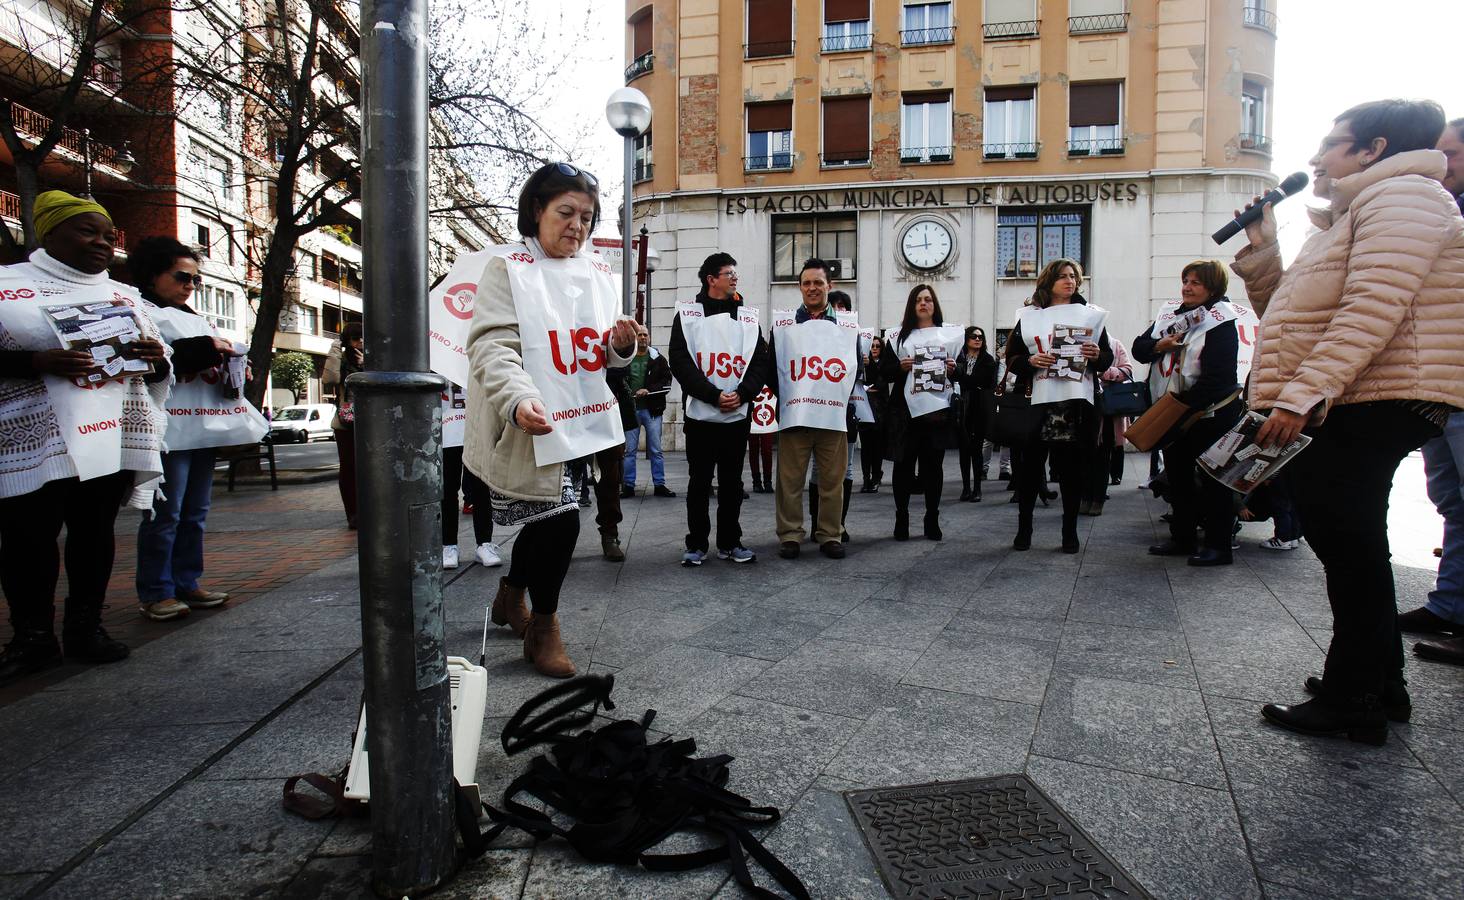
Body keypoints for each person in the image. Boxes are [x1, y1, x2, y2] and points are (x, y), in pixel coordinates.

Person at [1228, 99, 1464, 744]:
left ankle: (1353, 697)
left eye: (1332, 145)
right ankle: (1378, 682)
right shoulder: (1360, 210)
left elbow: (1372, 308)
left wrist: (1302, 394)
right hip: (1357, 394)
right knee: (1349, 543)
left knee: (1348, 545)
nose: (1315, 159)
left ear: (1373, 150)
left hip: (1374, 396)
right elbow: (1293, 316)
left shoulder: (1404, 198)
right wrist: (1265, 250)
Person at [464, 162, 638, 678]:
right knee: (558, 519)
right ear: (536, 210)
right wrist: (518, 401)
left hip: (578, 420)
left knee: (550, 518)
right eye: (566, 213)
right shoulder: (508, 268)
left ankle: (511, 596)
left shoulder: (593, 275)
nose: (578, 227)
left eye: (586, 217)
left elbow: (598, 352)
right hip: (527, 425)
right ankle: (544, 626)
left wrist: (621, 348)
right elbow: (492, 347)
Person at [0, 191, 171, 684]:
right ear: (49, 232)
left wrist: (153, 356)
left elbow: (158, 365)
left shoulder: (124, 295)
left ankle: (85, 627)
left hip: (107, 435)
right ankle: (32, 637)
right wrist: (35, 363)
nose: (101, 243)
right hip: (33, 440)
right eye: (86, 231)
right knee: (26, 538)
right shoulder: (8, 286)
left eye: (106, 234)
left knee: (93, 533)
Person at [131, 236, 261, 621]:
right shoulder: (136, 311)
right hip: (167, 430)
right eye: (181, 276)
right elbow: (162, 360)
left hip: (201, 426)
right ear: (152, 275)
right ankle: (156, 590)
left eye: (195, 279)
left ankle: (187, 580)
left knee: (195, 511)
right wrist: (212, 348)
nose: (190, 285)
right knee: (165, 513)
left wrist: (233, 368)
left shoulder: (194, 317)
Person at [1132, 260, 1245, 564]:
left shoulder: (1221, 321)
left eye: (1196, 282)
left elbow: (1218, 378)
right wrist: (1160, 345)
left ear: (1213, 287)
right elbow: (1139, 348)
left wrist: (1178, 411)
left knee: (1213, 482)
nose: (1187, 287)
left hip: (1208, 415)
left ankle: (1218, 545)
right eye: (1185, 280)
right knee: (1178, 478)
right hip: (1173, 412)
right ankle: (1182, 538)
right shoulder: (1170, 314)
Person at [1005, 258, 1113, 553]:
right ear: (1049, 280)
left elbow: (1106, 359)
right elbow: (1011, 356)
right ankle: (1024, 529)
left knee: (1071, 474)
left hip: (1074, 405)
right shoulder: (1028, 316)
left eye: (1074, 277)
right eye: (1063, 276)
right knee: (1029, 473)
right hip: (1037, 404)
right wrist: (1030, 361)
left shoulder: (1090, 315)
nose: (1070, 281)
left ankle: (1069, 532)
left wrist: (1096, 355)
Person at [668, 252, 770, 566]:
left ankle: (730, 542)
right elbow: (681, 362)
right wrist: (713, 395)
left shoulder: (748, 317)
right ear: (712, 279)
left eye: (735, 273)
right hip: (701, 416)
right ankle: (696, 544)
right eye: (728, 273)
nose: (735, 278)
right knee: (699, 482)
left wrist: (742, 394)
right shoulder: (687, 315)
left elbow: (759, 361)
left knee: (732, 483)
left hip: (737, 416)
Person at [773, 259, 857, 559]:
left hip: (832, 416)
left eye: (818, 283)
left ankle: (830, 534)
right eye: (806, 283)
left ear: (829, 286)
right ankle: (790, 535)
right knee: (789, 481)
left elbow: (852, 367)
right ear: (800, 287)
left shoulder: (847, 325)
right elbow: (776, 366)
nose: (812, 288)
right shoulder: (784, 324)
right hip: (795, 415)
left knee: (832, 481)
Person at [881, 285, 960, 540]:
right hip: (905, 412)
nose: (923, 304)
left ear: (934, 304)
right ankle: (901, 517)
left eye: (928, 299)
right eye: (918, 300)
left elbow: (961, 375)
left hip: (936, 411)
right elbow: (882, 371)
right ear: (911, 305)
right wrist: (899, 368)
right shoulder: (896, 337)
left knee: (933, 467)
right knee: (902, 466)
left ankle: (931, 517)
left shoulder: (949, 335)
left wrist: (953, 368)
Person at [441, 384, 501, 570]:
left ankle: (484, 543)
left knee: (481, 486)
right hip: (446, 427)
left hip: (474, 427)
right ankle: (448, 545)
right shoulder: (436, 357)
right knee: (448, 488)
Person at [618, 323, 674, 498]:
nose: (642, 337)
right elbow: (618, 379)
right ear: (635, 337)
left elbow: (667, 381)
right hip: (631, 410)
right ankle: (628, 485)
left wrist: (648, 390)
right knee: (630, 451)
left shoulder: (658, 358)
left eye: (645, 335)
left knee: (656, 450)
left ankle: (659, 485)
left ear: (649, 338)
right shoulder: (626, 358)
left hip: (652, 411)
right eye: (640, 334)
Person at [1084, 338, 1134, 514]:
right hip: (1083, 406)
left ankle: (1098, 498)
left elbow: (1127, 370)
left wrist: (1104, 373)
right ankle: (1085, 496)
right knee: (1084, 456)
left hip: (1106, 410)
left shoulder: (1114, 344)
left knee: (1102, 455)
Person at [322, 323, 363, 529]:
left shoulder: (374, 357)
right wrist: (335, 350)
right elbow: (330, 378)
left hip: (372, 421)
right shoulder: (342, 359)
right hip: (345, 421)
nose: (360, 343)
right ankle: (353, 514)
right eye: (355, 339)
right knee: (348, 467)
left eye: (363, 338)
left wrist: (367, 365)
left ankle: (370, 510)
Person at [953, 325, 997, 503]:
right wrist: (967, 381)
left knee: (977, 449)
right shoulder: (959, 358)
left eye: (980, 336)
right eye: (973, 336)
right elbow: (955, 378)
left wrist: (964, 379)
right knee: (964, 449)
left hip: (979, 408)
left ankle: (977, 488)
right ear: (966, 339)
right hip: (961, 408)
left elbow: (984, 382)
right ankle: (965, 488)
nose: (977, 339)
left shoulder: (987, 360)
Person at [858, 335, 887, 493]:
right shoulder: (863, 363)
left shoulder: (883, 364)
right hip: (864, 406)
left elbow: (881, 384)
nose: (874, 348)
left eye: (877, 346)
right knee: (865, 446)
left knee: (877, 446)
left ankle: (876, 476)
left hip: (879, 410)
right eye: (872, 346)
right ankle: (865, 478)